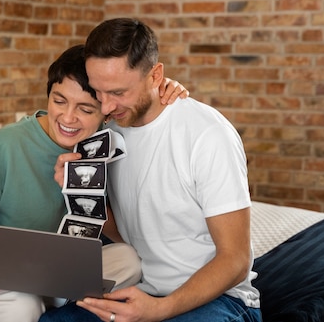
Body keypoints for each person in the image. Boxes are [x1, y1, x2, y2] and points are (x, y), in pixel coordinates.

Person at [0, 44, 189, 322]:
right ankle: (42, 302)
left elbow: (140, 106)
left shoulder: (106, 144)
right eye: (59, 101)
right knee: (20, 306)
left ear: (106, 112)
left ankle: (49, 299)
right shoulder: (6, 146)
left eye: (85, 109)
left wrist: (162, 89)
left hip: (42, 270)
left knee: (128, 259)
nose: (68, 118)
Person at [40, 19, 262, 322]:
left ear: (156, 75)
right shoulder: (109, 134)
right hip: (141, 288)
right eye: (98, 92)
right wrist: (83, 194)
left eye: (118, 92)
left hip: (218, 299)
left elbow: (236, 260)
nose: (105, 107)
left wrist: (159, 310)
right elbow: (129, 237)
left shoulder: (207, 135)